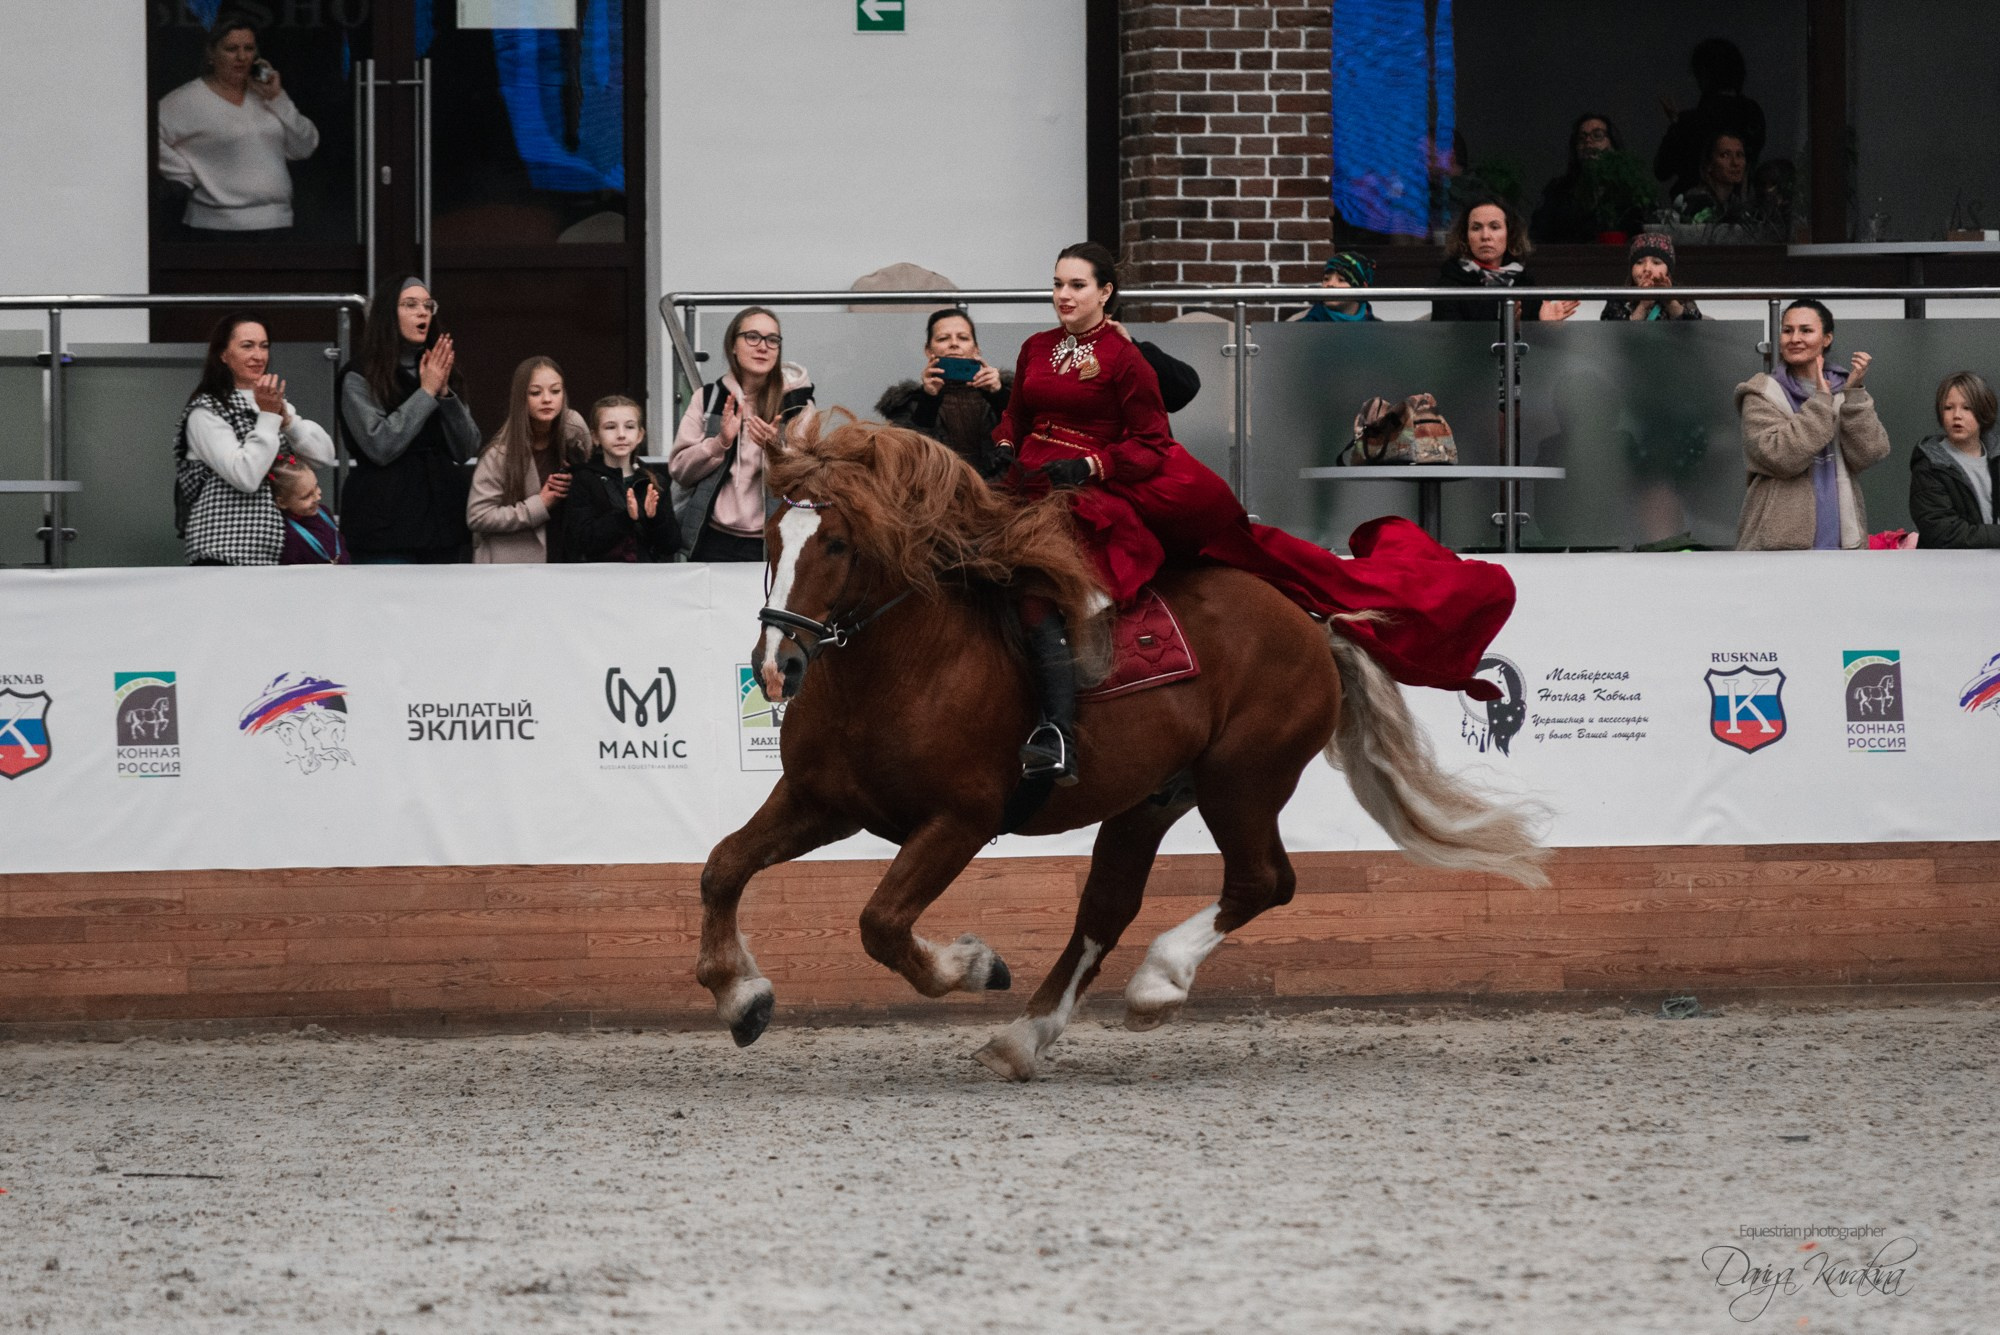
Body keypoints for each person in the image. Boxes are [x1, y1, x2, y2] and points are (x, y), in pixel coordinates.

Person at [993, 242, 1516, 783]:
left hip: (1094, 484)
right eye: (1057, 284)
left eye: (1076, 285)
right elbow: (1016, 417)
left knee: (1040, 584)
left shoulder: (1127, 357)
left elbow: (1150, 441)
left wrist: (1091, 467)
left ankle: (1058, 732)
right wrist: (1004, 448)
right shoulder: (1036, 347)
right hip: (1030, 478)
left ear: (1105, 293)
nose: (1063, 295)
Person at [173, 313, 337, 566]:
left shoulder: (268, 401)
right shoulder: (206, 411)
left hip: (273, 551)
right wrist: (270, 418)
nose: (258, 356)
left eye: (264, 346)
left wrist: (290, 423)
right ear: (223, 355)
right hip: (224, 552)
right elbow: (245, 477)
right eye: (247, 346)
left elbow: (324, 456)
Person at [338, 276, 480, 563]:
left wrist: (445, 395)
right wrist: (425, 392)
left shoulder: (437, 368)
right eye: (410, 305)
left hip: (442, 524)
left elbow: (467, 449)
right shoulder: (359, 375)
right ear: (388, 314)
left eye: (428, 305)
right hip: (385, 528)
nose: (422, 312)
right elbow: (380, 445)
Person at [1734, 300, 1891, 550]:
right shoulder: (1760, 392)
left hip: (1843, 543)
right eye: (1787, 330)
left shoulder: (1844, 390)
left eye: (1806, 330)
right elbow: (1780, 456)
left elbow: (1870, 453)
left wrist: (1854, 393)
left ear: (1827, 338)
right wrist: (1820, 400)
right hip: (1776, 547)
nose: (1795, 338)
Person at [670, 306, 815, 561]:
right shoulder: (709, 398)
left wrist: (777, 451)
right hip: (711, 538)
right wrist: (720, 443)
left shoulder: (798, 404)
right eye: (752, 336)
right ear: (733, 346)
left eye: (772, 340)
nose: (763, 347)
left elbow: (813, 474)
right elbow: (680, 471)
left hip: (775, 539)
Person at [155, 16, 320, 237]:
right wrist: (187, 173)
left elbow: (305, 146)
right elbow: (145, 136)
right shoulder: (187, 100)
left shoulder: (267, 95)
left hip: (278, 223)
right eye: (231, 49)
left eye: (249, 48)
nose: (241, 57)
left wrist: (277, 98)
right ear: (211, 54)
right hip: (214, 229)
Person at [466, 356, 590, 563]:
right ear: (520, 398)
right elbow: (478, 516)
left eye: (555, 391)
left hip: (567, 556)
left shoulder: (574, 430)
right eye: (535, 393)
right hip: (512, 566)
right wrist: (539, 505)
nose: (547, 399)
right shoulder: (499, 454)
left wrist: (578, 475)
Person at [875, 309, 1014, 479]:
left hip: (1001, 497)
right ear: (929, 351)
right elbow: (908, 459)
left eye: (963, 338)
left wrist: (998, 394)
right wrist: (929, 399)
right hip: (937, 498)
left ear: (976, 349)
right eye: (943, 338)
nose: (954, 344)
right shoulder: (909, 403)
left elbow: (1028, 440)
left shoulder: (1009, 394)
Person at [550, 396, 681, 562]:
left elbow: (671, 546)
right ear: (595, 436)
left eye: (629, 427)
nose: (621, 435)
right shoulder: (585, 479)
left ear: (640, 435)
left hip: (646, 580)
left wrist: (655, 518)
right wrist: (625, 518)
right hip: (599, 580)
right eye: (610, 427)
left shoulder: (654, 482)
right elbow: (580, 541)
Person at [1431, 197, 1579, 323]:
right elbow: (1450, 343)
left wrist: (1541, 323)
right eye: (1476, 228)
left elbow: (1532, 348)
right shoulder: (1450, 282)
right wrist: (1505, 327)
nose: (1485, 236)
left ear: (1510, 234)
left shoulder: (1523, 281)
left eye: (1494, 227)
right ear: (1465, 237)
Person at [1655, 37, 1766, 196]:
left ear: (1704, 74)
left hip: (1694, 208)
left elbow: (1662, 170)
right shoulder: (1752, 114)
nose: (1734, 163)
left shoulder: (1693, 121)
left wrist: (1676, 127)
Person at [1909, 372, 2000, 548]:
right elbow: (1943, 533)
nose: (1956, 415)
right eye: (1948, 408)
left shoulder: (1996, 455)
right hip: (1950, 568)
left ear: (1984, 411)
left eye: (1967, 408)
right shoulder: (1930, 464)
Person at [1531, 113, 1631, 244]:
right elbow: (1538, 235)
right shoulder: (1558, 189)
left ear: (1612, 144)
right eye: (1581, 137)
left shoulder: (1630, 189)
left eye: (1597, 135)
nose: (1588, 141)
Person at [1600, 233, 1703, 321]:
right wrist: (1643, 306)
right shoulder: (1618, 297)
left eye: (1656, 263)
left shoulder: (1682, 296)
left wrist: (1670, 301)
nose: (1647, 268)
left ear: (1668, 269)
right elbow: (1613, 336)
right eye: (1639, 262)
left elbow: (1694, 331)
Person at [272, 462, 349, 565]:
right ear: (282, 502)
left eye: (316, 487)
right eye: (306, 496)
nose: (317, 497)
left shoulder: (323, 512)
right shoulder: (290, 537)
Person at [1674, 131, 1752, 225]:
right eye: (1725, 155)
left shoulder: (1736, 204)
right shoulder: (1696, 202)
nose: (1735, 163)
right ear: (1709, 165)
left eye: (1739, 155)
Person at [1297, 252, 1380, 322]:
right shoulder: (1303, 326)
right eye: (1326, 279)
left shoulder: (1378, 329)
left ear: (1362, 288)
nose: (1330, 284)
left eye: (1341, 280)